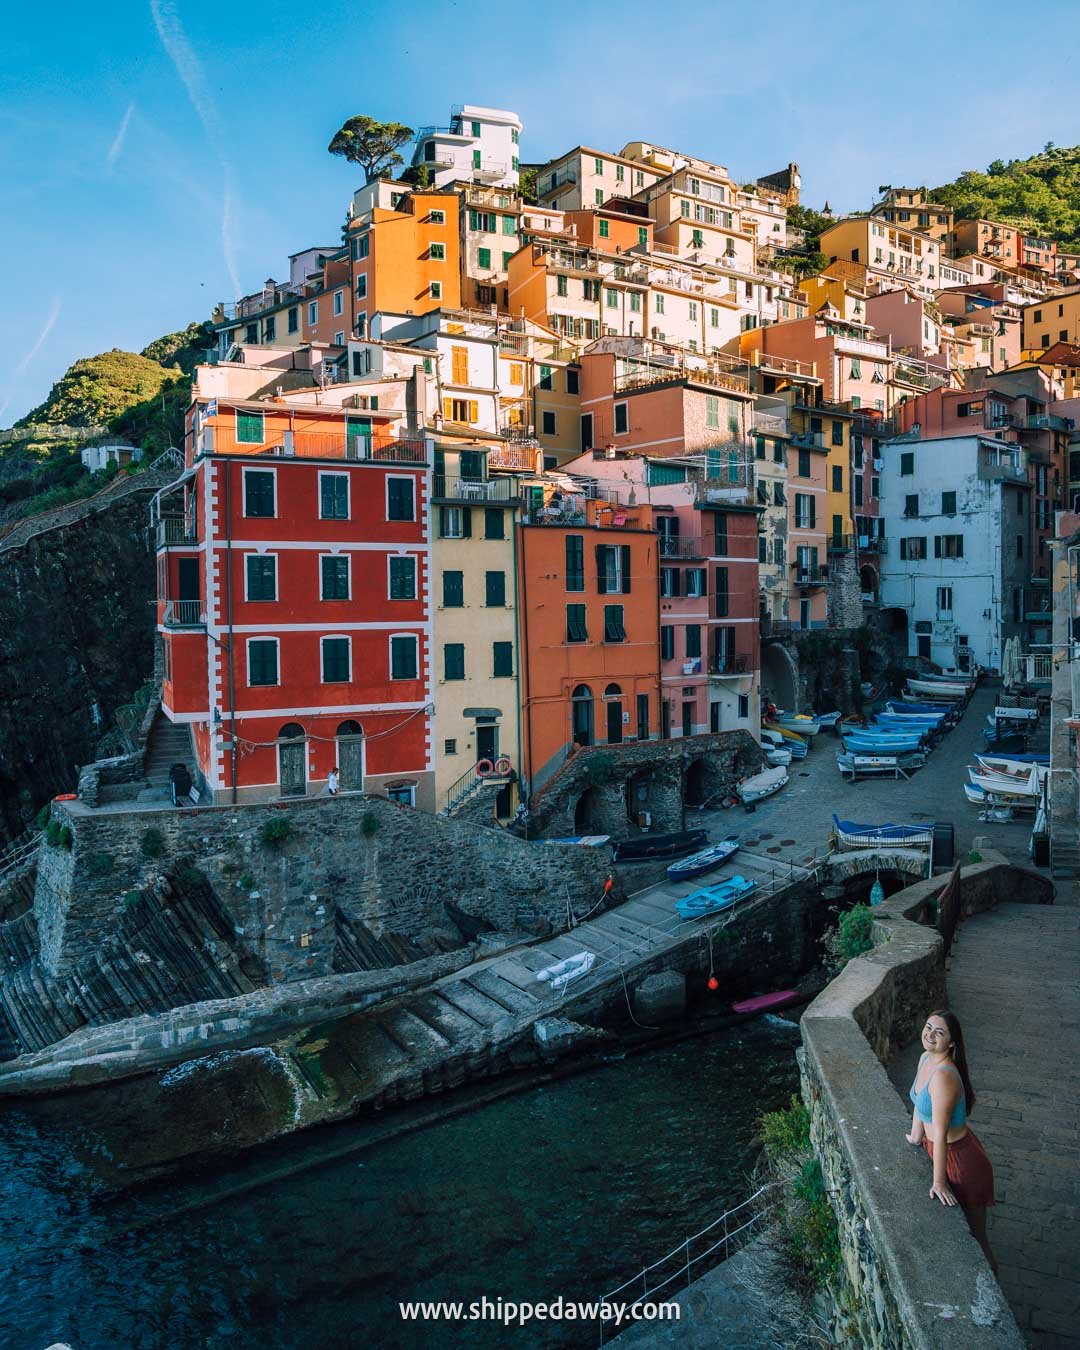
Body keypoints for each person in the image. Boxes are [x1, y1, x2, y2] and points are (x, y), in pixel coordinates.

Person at [906, 1009, 997, 1272]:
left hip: (961, 1160)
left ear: (952, 1043)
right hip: (937, 1148)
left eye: (939, 1032)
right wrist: (915, 1137)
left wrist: (938, 1182)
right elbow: (918, 1103)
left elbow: (943, 1134)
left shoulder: (944, 1076)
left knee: (977, 1240)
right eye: (928, 1027)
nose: (930, 1034)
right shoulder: (925, 1058)